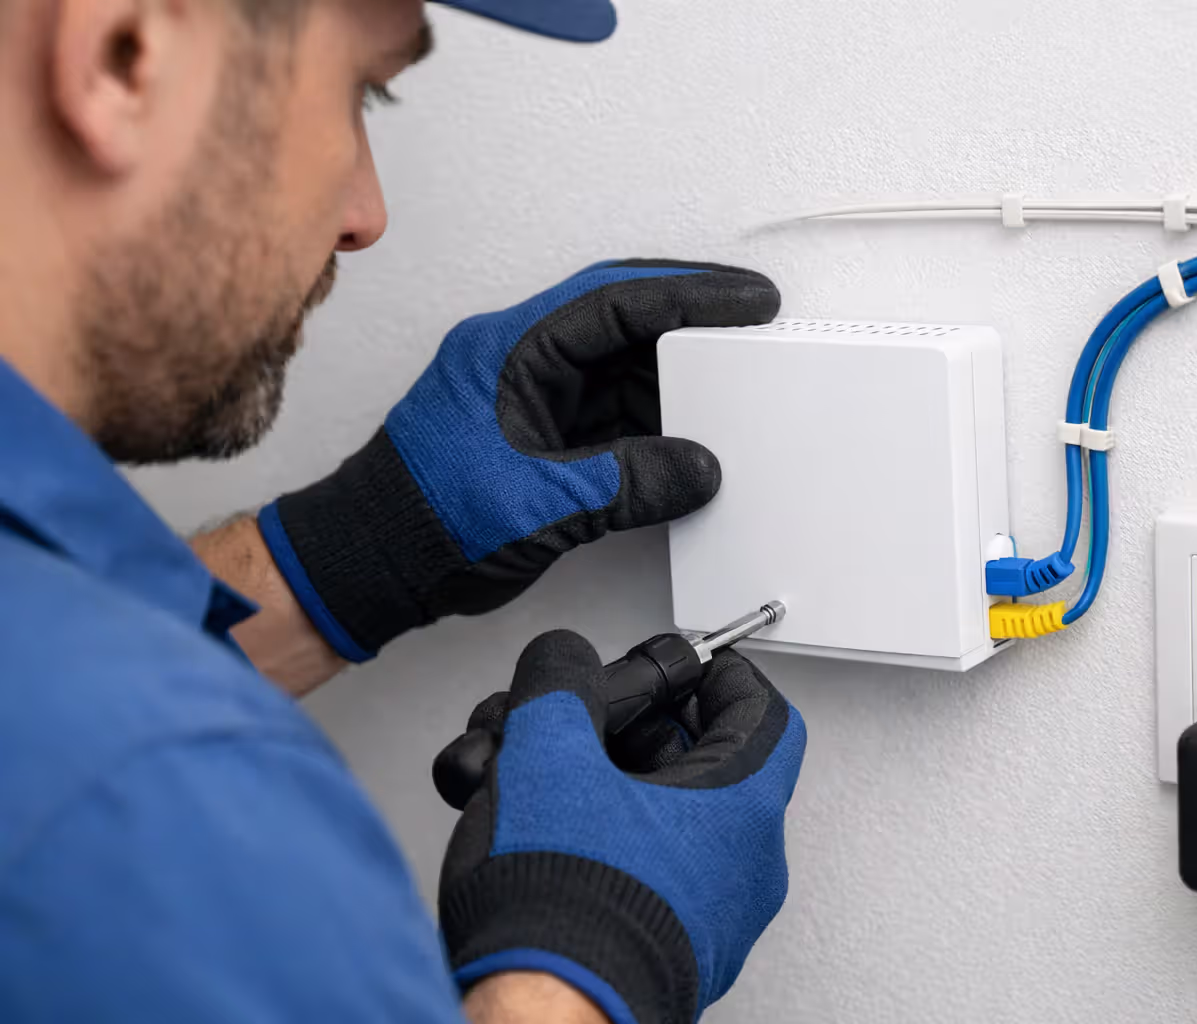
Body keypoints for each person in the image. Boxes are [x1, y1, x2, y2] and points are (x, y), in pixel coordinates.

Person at [0, 0, 807, 1021]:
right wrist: (585, 964)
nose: (366, 213)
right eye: (360, 88)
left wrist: (362, 548)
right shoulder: (138, 800)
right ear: (123, 55)